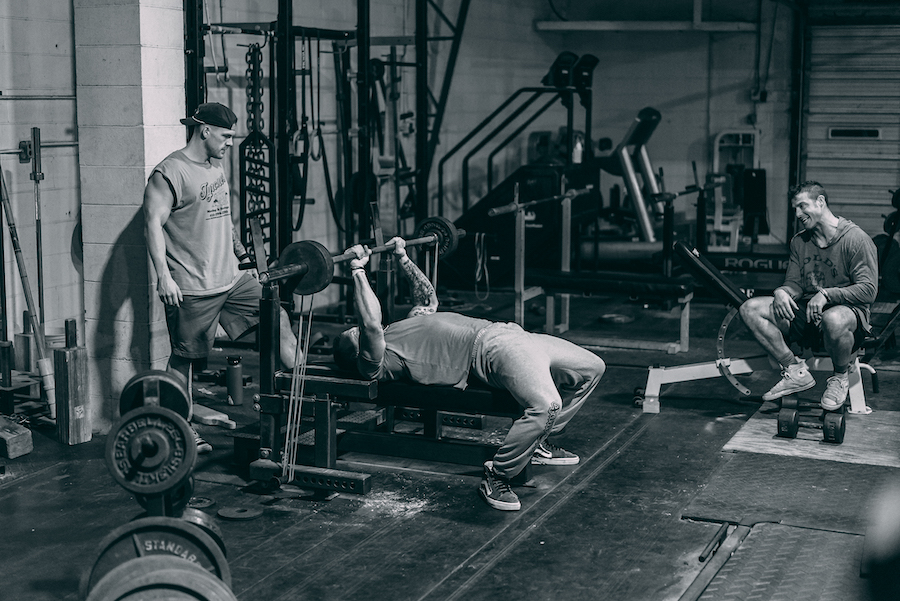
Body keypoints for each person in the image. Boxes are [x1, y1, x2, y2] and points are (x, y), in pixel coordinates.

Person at [332, 237, 606, 511]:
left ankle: (537, 442)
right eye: (354, 335)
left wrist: (403, 257)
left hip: (511, 333)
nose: (357, 330)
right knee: (547, 405)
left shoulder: (401, 327)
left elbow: (426, 298)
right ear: (357, 354)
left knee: (592, 368)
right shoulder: (376, 362)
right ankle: (498, 474)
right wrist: (358, 270)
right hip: (491, 351)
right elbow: (370, 324)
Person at [144, 102, 298, 453]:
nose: (230, 142)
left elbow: (223, 217)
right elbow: (152, 224)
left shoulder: (214, 165)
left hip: (231, 279)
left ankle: (305, 399)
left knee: (277, 316)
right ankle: (181, 430)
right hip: (193, 286)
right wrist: (163, 276)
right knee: (185, 358)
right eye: (226, 136)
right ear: (205, 131)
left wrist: (242, 256)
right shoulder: (169, 173)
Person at [739, 181, 878, 410]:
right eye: (795, 208)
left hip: (848, 312)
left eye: (802, 206)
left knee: (833, 318)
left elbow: (868, 290)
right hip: (808, 311)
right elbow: (795, 283)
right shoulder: (799, 241)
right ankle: (795, 370)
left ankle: (840, 377)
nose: (797, 214)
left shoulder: (855, 239)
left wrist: (826, 295)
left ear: (820, 202)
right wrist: (782, 292)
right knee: (750, 309)